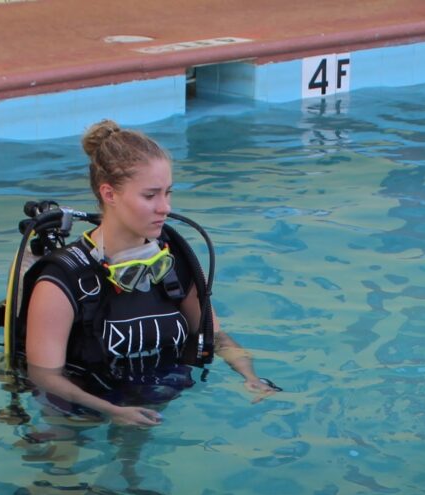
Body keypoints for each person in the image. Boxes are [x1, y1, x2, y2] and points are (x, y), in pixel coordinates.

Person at [19, 120, 275, 426]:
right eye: (150, 195)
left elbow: (214, 335)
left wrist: (250, 376)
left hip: (150, 402)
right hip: (75, 412)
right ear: (109, 194)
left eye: (168, 193)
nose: (165, 207)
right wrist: (112, 411)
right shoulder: (63, 280)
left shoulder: (175, 259)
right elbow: (45, 376)